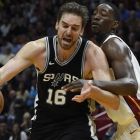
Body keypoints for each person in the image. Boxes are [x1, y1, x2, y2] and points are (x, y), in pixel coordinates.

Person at [0, 2, 120, 140]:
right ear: (57, 25)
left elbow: (114, 102)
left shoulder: (92, 54)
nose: (68, 32)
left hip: (76, 123)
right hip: (43, 123)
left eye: (75, 28)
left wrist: (93, 91)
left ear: (81, 31)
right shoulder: (38, 49)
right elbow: (3, 74)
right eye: (65, 26)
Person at [62, 2, 140, 140]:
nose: (96, 17)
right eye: (95, 14)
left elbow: (131, 85)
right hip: (127, 125)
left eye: (103, 15)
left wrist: (90, 83)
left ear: (114, 25)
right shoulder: (102, 48)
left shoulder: (112, 44)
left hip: (136, 121)